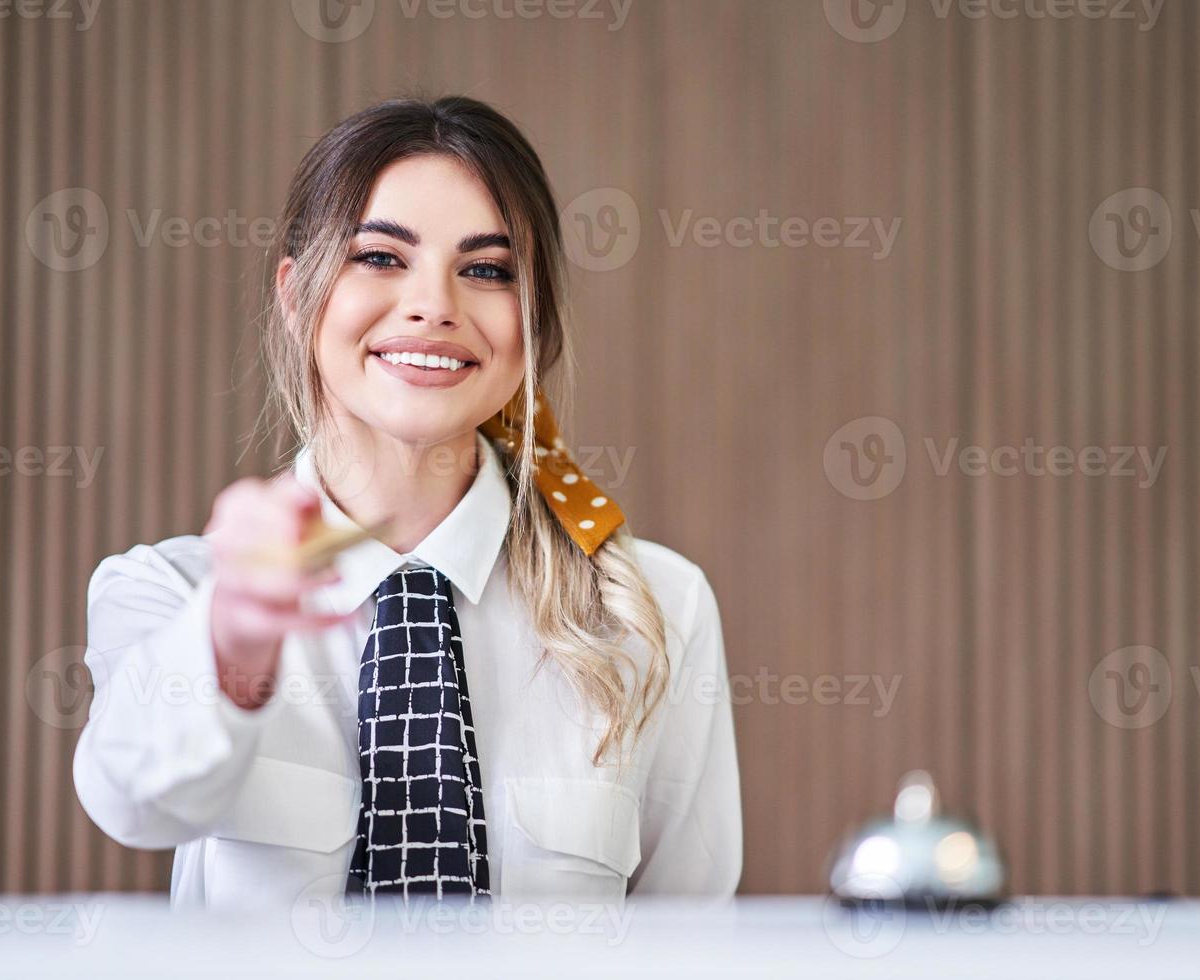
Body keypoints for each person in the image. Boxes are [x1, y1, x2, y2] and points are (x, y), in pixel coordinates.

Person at [72, 95, 742, 911]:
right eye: (381, 258)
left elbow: (689, 939)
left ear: (537, 327)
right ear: (295, 297)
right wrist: (233, 643)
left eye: (487, 269)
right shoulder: (170, 593)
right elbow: (132, 803)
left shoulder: (657, 610)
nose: (436, 306)